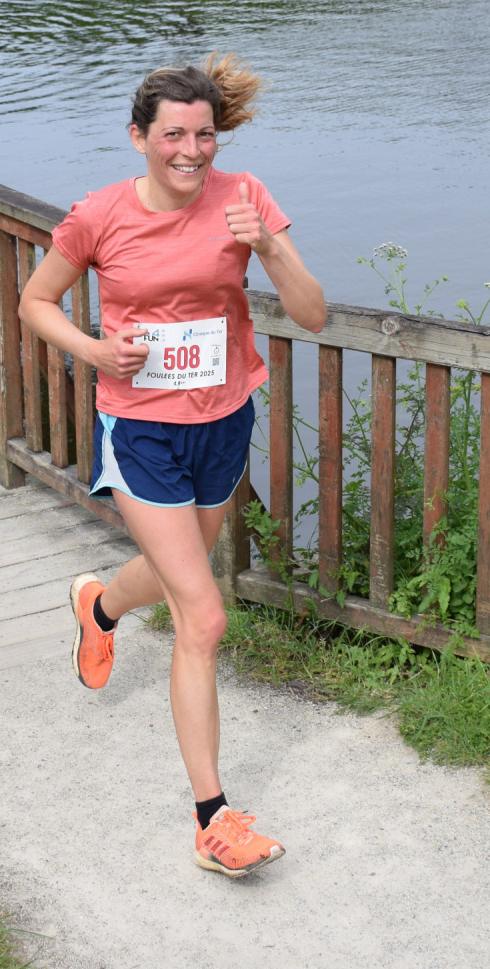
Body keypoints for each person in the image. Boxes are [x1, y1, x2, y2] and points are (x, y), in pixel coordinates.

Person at [19, 55, 326, 879]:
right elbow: (35, 301)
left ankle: (100, 605)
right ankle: (212, 818)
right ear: (139, 138)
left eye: (204, 135)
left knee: (173, 569)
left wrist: (269, 247)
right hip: (142, 429)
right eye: (174, 136)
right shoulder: (100, 215)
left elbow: (313, 313)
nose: (191, 151)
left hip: (222, 422)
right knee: (204, 614)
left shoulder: (244, 197)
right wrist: (93, 349)